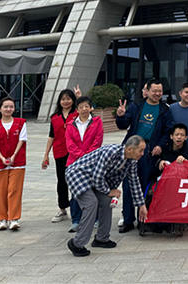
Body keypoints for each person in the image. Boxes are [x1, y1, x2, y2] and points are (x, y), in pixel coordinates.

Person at [65, 137, 148, 257]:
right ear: (130, 149)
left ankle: (101, 238)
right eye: (141, 150)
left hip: (95, 180)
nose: (142, 154)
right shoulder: (110, 152)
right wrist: (109, 191)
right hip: (78, 175)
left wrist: (141, 205)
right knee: (91, 203)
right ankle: (76, 244)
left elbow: (134, 182)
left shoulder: (132, 161)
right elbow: (97, 177)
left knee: (106, 201)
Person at [114, 78, 170, 233]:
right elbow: (123, 124)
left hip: (150, 152)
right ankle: (128, 220)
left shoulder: (165, 110)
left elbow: (168, 131)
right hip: (132, 150)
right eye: (154, 90)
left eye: (160, 91)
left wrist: (160, 145)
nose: (157, 93)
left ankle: (143, 220)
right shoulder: (136, 106)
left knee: (145, 186)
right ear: (148, 91)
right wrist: (120, 115)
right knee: (128, 185)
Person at [0, 97, 27, 231]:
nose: (8, 109)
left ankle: (14, 218)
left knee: (14, 190)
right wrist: (2, 158)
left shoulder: (21, 123)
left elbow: (22, 140)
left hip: (18, 162)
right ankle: (2, 219)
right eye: (5, 106)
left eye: (11, 106)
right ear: (0, 109)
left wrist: (13, 156)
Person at [65, 97, 104, 233]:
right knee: (76, 193)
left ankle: (95, 219)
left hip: (93, 163)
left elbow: (97, 141)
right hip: (74, 164)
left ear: (91, 108)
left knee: (93, 191)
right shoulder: (70, 125)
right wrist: (82, 156)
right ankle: (76, 220)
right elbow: (70, 145)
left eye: (87, 106)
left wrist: (87, 157)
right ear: (77, 109)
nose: (84, 109)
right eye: (81, 107)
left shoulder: (97, 122)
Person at [42, 88, 78, 224]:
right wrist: (46, 154)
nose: (66, 101)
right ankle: (62, 209)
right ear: (59, 101)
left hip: (75, 153)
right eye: (63, 99)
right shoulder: (54, 117)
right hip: (59, 153)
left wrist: (80, 98)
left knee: (76, 180)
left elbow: (89, 113)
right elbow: (51, 136)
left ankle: (78, 209)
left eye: (68, 99)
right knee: (62, 182)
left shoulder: (77, 114)